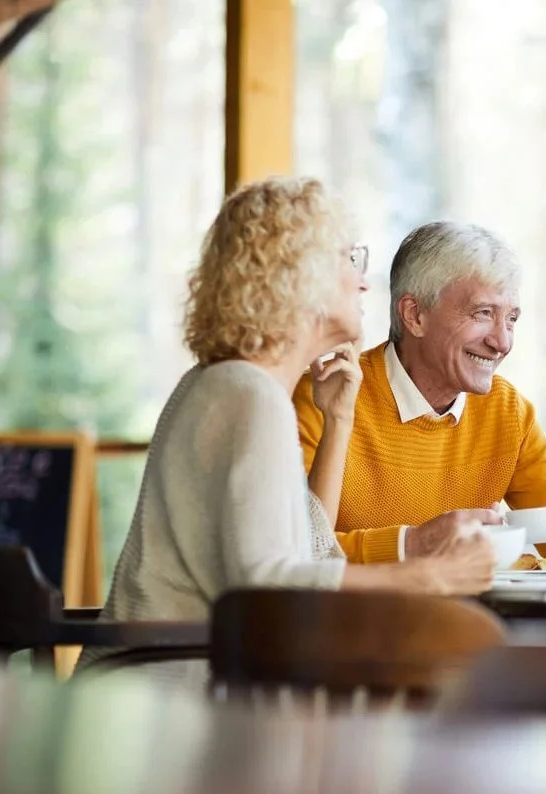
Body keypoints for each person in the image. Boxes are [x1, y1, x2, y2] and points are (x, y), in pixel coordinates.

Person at [78, 178, 498, 682]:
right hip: (165, 703)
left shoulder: (233, 386)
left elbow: (307, 553)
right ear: (301, 276)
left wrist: (337, 418)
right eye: (350, 259)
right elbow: (267, 588)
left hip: (177, 686)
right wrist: (429, 577)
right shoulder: (245, 395)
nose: (364, 282)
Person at [292, 220, 546, 569]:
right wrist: (414, 544)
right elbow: (295, 554)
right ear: (415, 315)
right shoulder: (324, 397)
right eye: (483, 314)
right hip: (356, 621)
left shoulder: (508, 410)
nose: (502, 342)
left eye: (511, 319)